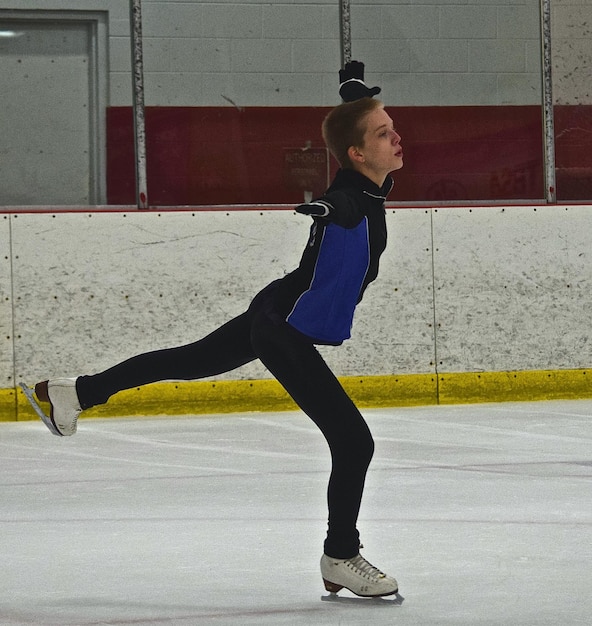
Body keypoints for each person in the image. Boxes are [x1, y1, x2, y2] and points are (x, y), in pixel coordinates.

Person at [31, 63, 403, 598]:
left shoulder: (366, 189)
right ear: (358, 155)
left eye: (392, 127)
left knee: (187, 361)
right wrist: (320, 209)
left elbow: (347, 184)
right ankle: (340, 555)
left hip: (274, 310)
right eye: (384, 133)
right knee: (354, 442)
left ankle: (70, 394)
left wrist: (352, 95)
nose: (397, 137)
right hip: (284, 328)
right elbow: (338, 206)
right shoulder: (349, 199)